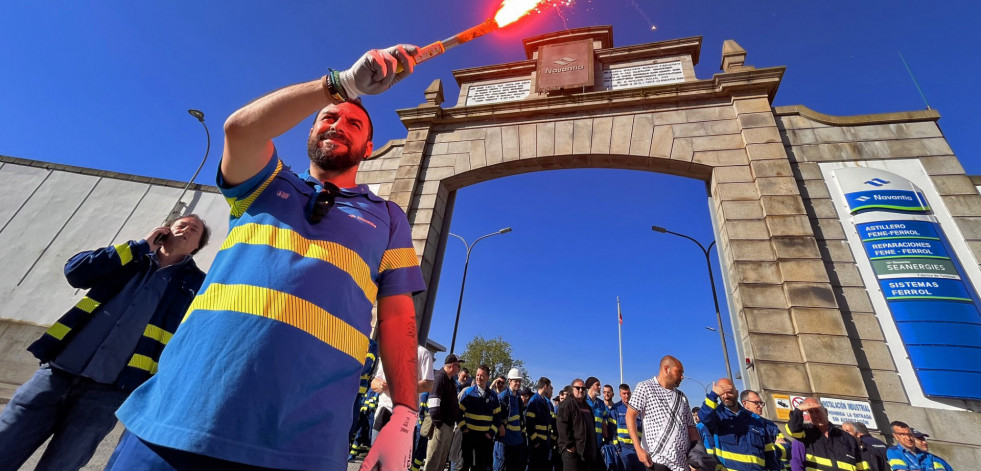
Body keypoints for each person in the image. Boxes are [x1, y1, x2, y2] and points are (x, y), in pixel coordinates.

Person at [105, 45, 426, 470]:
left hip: (303, 444)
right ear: (310, 133)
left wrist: (404, 412)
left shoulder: (388, 218)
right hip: (179, 418)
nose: (338, 123)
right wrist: (342, 85)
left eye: (353, 123)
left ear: (368, 148)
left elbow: (397, 315)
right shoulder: (263, 183)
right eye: (329, 117)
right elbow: (240, 130)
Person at [0, 216, 209, 471]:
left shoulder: (198, 285)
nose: (185, 229)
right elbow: (75, 272)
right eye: (180, 224)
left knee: (62, 465)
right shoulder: (129, 258)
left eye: (193, 229)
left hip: (108, 393)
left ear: (198, 245)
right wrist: (139, 246)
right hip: (56, 374)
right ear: (165, 230)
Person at [625, 355, 699, 471]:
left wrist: (697, 455)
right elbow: (630, 415)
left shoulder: (681, 397)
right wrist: (638, 448)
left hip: (682, 464)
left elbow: (691, 428)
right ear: (666, 369)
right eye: (679, 372)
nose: (682, 376)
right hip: (657, 461)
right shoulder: (645, 387)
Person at [696, 379, 781, 470]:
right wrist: (713, 395)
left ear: (736, 392)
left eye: (729, 392)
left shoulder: (755, 420)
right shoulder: (717, 417)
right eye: (722, 393)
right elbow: (704, 416)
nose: (726, 396)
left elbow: (769, 454)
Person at [371, 344, 435, 441]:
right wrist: (380, 384)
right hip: (383, 413)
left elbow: (428, 384)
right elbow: (374, 383)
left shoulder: (422, 353)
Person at [784, 398, 868, 471]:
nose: (815, 415)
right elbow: (793, 429)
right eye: (810, 412)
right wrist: (799, 410)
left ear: (826, 412)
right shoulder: (805, 435)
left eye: (817, 411)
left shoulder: (847, 438)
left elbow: (862, 466)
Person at [460, 364, 503, 471]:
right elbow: (458, 413)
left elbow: (497, 417)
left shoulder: (493, 396)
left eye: (482, 375)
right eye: (477, 375)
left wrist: (491, 433)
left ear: (488, 378)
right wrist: (463, 428)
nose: (479, 378)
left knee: (481, 466)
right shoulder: (468, 393)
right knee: (465, 464)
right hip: (469, 436)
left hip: (485, 438)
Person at [426, 354, 465, 471]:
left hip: (447, 426)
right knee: (433, 460)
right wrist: (439, 425)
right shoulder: (440, 377)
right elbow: (433, 405)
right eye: (458, 366)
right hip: (440, 427)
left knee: (441, 461)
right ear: (453, 366)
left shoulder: (449, 380)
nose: (459, 369)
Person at [557, 379, 601, 471]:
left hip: (586, 452)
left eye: (583, 388)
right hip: (572, 453)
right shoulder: (567, 404)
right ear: (572, 389)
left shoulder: (587, 406)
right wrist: (569, 446)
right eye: (578, 388)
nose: (581, 390)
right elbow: (562, 425)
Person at [739, 389, 789, 470]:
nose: (760, 406)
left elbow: (786, 447)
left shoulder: (770, 425)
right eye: (756, 403)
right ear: (745, 403)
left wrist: (776, 449)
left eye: (761, 403)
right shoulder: (739, 424)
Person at [886, 421, 953, 471]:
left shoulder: (929, 456)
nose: (908, 438)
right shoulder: (894, 452)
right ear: (895, 436)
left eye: (910, 435)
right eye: (902, 434)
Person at [585, 377, 618, 471]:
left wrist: (607, 439)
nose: (600, 387)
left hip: (599, 445)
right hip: (586, 446)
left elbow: (604, 423)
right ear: (591, 386)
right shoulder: (582, 402)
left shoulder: (601, 404)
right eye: (597, 385)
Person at [499, 368, 528, 471]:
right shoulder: (503, 397)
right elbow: (496, 417)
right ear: (509, 380)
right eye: (516, 381)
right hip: (505, 441)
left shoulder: (519, 399)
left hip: (517, 441)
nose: (518, 383)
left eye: (519, 381)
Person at [611, 383, 645, 471]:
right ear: (620, 394)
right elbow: (612, 430)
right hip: (624, 450)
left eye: (628, 393)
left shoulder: (637, 408)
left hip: (637, 448)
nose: (626, 396)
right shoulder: (615, 409)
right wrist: (617, 449)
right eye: (624, 394)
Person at [525, 377, 554, 471]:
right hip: (537, 445)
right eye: (550, 387)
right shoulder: (534, 401)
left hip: (545, 444)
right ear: (545, 386)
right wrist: (536, 441)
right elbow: (529, 424)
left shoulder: (545, 402)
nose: (550, 389)